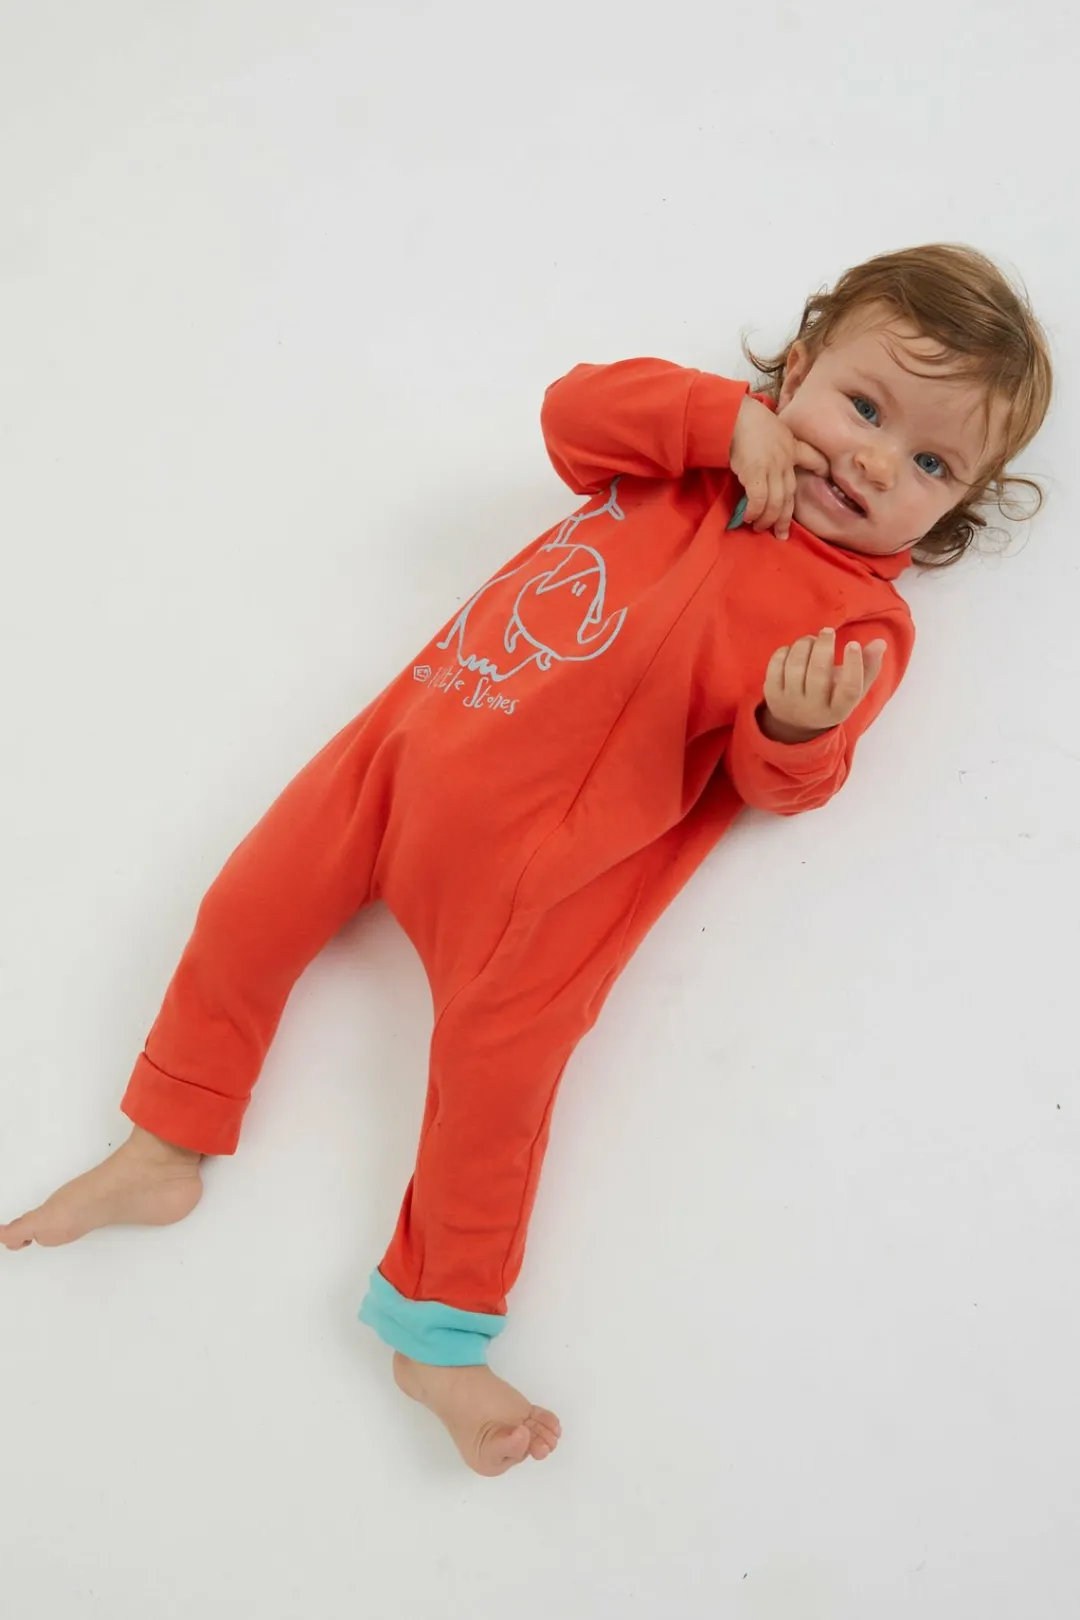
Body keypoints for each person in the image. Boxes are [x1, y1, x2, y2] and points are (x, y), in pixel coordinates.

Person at [0, 244, 1053, 1477]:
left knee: (497, 1092)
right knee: (243, 909)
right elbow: (569, 415)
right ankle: (162, 1145)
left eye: (931, 465)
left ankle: (438, 1335)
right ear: (801, 367)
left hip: (549, 880)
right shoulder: (680, 451)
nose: (876, 461)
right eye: (865, 408)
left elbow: (783, 788)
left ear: (957, 509)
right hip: (399, 757)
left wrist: (794, 726)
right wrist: (720, 421)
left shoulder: (858, 620)